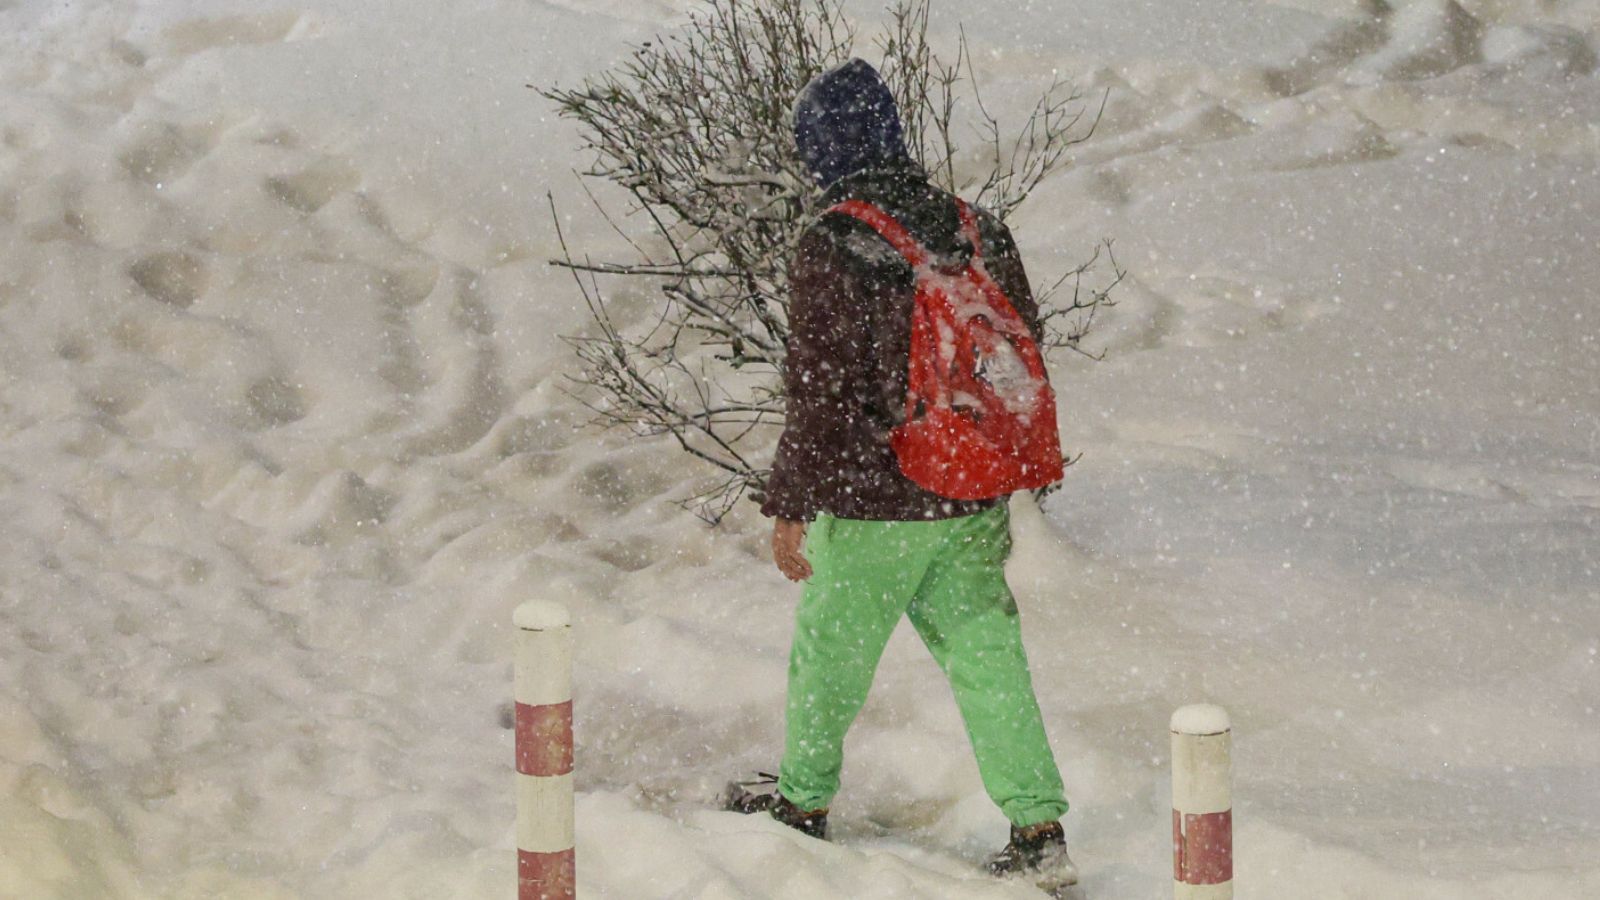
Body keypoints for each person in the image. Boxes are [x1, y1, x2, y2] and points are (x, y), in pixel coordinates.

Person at [725, 58, 1077, 890]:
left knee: (829, 656)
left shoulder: (836, 241)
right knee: (988, 656)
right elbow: (1018, 354)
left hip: (875, 500)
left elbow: (818, 392)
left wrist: (790, 505)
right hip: (969, 493)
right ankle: (1038, 828)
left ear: (823, 148)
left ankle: (802, 805)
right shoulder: (978, 225)